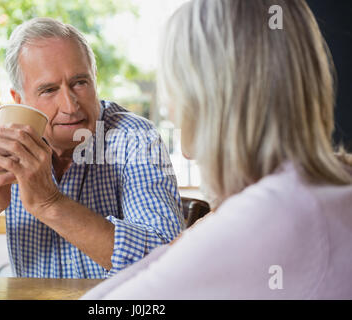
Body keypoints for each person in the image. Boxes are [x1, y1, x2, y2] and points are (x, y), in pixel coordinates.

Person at [82, 0, 352, 299]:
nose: (171, 110)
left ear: (204, 99)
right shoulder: (331, 187)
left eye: (173, 89)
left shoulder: (269, 215)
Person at [0, 17, 184, 279]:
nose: (70, 105)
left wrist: (50, 203)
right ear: (20, 100)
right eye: (49, 90)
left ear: (95, 79)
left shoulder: (135, 138)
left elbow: (169, 262)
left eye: (80, 82)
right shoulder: (10, 144)